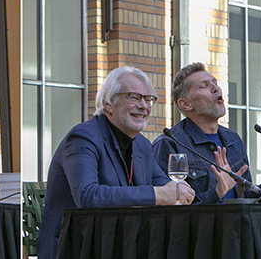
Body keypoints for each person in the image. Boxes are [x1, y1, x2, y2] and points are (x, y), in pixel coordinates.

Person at [37, 66, 195, 258]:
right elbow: (88, 196)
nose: (144, 106)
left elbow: (169, 187)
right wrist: (159, 194)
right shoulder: (83, 137)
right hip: (77, 248)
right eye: (134, 97)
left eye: (148, 99)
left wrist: (208, 193)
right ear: (108, 103)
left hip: (121, 245)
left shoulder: (142, 145)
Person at [152, 62, 261, 204]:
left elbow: (246, 204)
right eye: (204, 86)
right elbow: (169, 212)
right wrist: (217, 193)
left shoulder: (233, 140)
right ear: (185, 104)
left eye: (215, 83)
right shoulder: (170, 144)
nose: (215, 88)